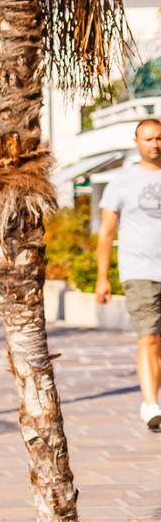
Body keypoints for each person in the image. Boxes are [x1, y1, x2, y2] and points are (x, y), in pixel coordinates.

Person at [95, 116, 161, 432]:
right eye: (148, 139)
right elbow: (106, 232)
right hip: (139, 270)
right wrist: (102, 277)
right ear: (137, 142)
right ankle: (150, 402)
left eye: (159, 138)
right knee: (148, 336)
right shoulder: (120, 182)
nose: (155, 144)